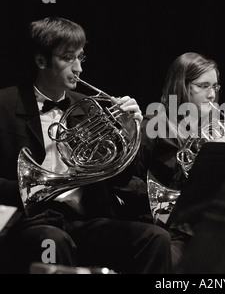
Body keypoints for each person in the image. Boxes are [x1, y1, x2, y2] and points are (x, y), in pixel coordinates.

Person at [0, 17, 172, 274]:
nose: (78, 68)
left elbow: (119, 176)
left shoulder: (90, 107)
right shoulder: (4, 105)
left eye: (81, 57)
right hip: (30, 221)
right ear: (41, 61)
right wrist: (28, 191)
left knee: (155, 238)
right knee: (52, 241)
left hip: (84, 219)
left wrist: (127, 131)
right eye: (68, 58)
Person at [134, 52, 225, 272]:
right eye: (203, 86)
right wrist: (215, 151)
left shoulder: (221, 125)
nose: (211, 94)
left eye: (215, 87)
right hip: (172, 226)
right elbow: (131, 176)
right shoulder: (154, 124)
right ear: (181, 85)